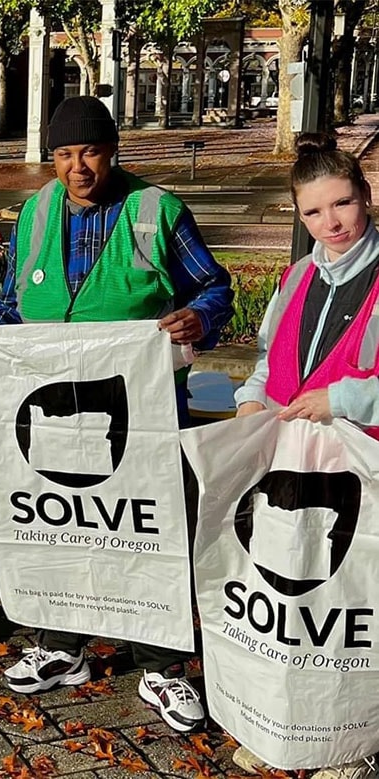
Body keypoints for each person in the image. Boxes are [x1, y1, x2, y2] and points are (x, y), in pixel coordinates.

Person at [0, 96, 234, 732]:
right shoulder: (34, 212)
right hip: (53, 409)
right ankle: (63, 643)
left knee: (152, 526)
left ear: (112, 150)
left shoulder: (156, 211)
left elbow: (213, 286)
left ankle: (163, 665)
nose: (76, 167)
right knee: (62, 522)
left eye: (89, 151)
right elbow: (19, 302)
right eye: (62, 154)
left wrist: (201, 318)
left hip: (141, 409)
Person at [231, 134, 379, 779]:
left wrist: (342, 398)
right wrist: (250, 399)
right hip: (294, 464)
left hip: (364, 469)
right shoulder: (296, 277)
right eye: (314, 212)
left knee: (356, 607)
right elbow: (269, 359)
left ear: (366, 198)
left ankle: (356, 743)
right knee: (296, 600)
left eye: (342, 203)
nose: (332, 223)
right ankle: (293, 724)